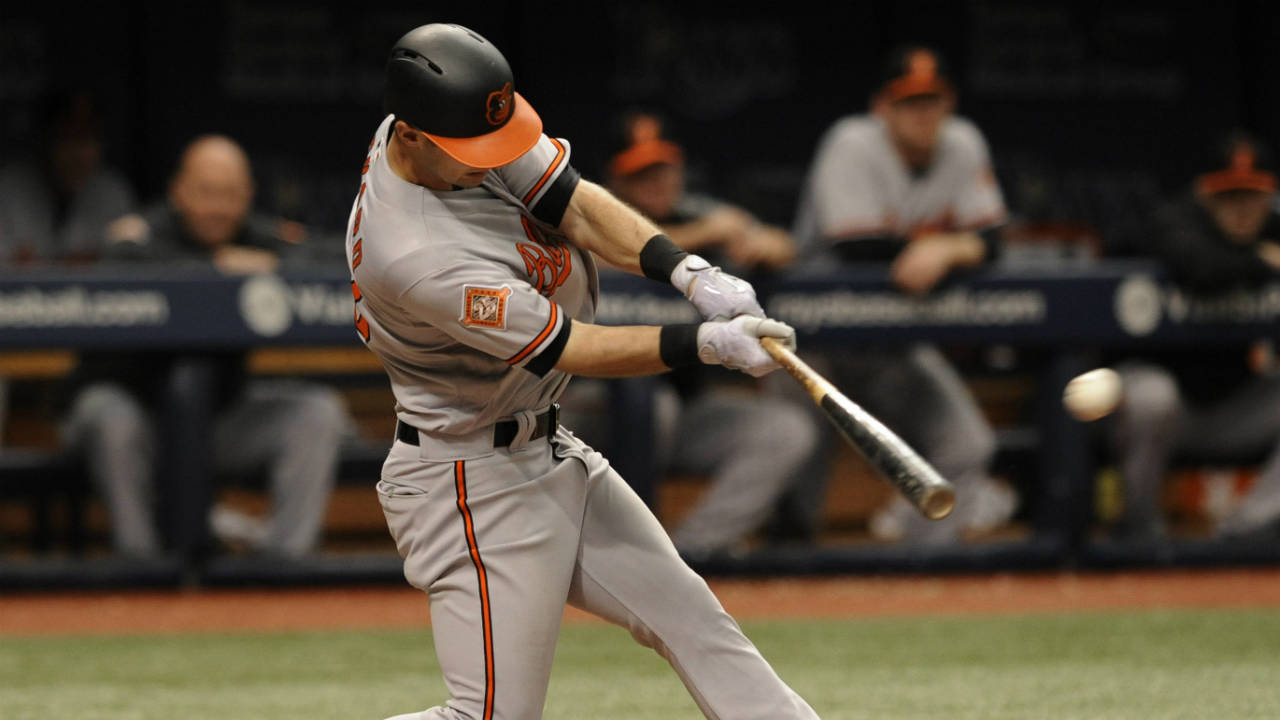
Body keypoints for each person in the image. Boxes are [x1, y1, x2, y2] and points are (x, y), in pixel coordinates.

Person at [351, 24, 817, 720]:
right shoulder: (413, 252)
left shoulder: (440, 123)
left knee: (695, 623)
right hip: (470, 483)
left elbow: (571, 201)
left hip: (546, 448)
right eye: (470, 155)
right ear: (411, 137)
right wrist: (706, 345)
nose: (489, 164)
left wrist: (688, 271)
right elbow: (569, 345)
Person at [59, 134, 347, 558]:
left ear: (247, 196)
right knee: (111, 416)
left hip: (218, 420)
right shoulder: (142, 233)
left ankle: (283, 570)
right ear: (179, 190)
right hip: (136, 416)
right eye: (207, 193)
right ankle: (140, 567)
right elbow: (120, 259)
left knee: (317, 413)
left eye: (230, 195)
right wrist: (215, 270)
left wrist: (274, 265)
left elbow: (336, 259)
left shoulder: (252, 236)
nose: (218, 207)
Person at [786, 44, 1017, 545]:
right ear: (882, 107)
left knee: (968, 444)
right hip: (810, 339)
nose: (922, 113)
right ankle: (791, 586)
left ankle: (919, 572)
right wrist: (948, 246)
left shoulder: (963, 142)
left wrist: (951, 245)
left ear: (949, 103)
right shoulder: (852, 141)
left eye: (932, 100)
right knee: (801, 464)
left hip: (890, 341)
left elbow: (994, 237)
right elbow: (857, 247)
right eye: (909, 101)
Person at [581, 110, 818, 557]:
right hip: (587, 409)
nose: (657, 182)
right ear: (617, 178)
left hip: (686, 410)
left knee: (785, 429)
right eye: (641, 172)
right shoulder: (591, 211)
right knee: (653, 405)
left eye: (663, 168)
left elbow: (779, 243)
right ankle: (615, 553)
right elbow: (608, 253)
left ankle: (686, 557)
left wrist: (764, 246)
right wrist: (703, 234)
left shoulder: (697, 210)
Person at [1109, 131, 1280, 542]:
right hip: (1153, 403)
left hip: (1234, 405)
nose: (1241, 209)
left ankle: (1247, 533)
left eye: (1251, 196)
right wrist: (1260, 260)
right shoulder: (1174, 219)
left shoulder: (1274, 226)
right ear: (1205, 192)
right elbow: (1200, 267)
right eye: (1229, 196)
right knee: (1154, 398)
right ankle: (1140, 533)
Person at [0, 88, 136, 264]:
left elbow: (130, 263)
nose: (78, 155)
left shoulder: (113, 193)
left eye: (87, 139)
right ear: (46, 141)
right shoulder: (9, 187)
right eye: (68, 139)